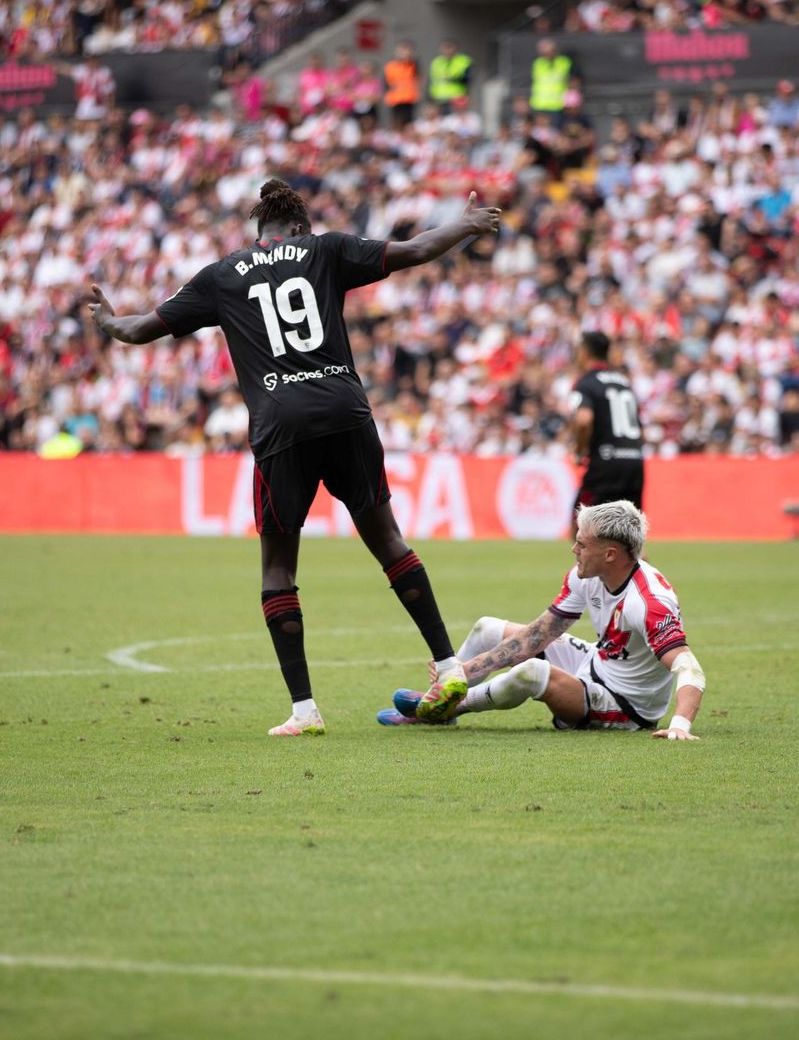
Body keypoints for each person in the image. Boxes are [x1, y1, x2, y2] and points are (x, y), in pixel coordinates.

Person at [85, 180, 502, 737]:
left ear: (259, 234)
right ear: (299, 229)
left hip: (281, 425)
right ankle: (450, 667)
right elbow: (416, 250)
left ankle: (305, 710)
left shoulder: (222, 274)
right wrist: (466, 225)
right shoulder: (325, 249)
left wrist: (108, 320)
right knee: (388, 541)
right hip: (344, 409)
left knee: (279, 567)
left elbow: (137, 331)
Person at [384, 500, 705, 740]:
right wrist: (459, 672)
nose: (573, 549)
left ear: (610, 554)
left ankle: (446, 709)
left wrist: (679, 725)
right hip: (596, 661)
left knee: (533, 673)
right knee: (487, 627)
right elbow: (538, 635)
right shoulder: (586, 575)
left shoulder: (649, 602)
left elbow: (689, 667)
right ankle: (441, 696)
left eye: (582, 543)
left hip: (625, 706)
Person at [569, 331, 644, 532]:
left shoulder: (586, 382)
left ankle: (592, 565)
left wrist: (579, 450)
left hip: (606, 464)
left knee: (580, 528)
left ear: (584, 353)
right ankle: (639, 563)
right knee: (630, 537)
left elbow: (584, 420)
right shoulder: (623, 382)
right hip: (634, 462)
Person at [529, 38, 573, 119]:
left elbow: (569, 80)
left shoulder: (564, 62)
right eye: (544, 52)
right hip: (539, 103)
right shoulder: (538, 63)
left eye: (549, 51)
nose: (547, 54)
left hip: (557, 104)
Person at [383, 41, 420, 128]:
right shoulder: (390, 66)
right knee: (397, 122)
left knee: (409, 124)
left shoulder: (414, 65)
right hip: (395, 99)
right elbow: (386, 84)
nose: (405, 53)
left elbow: (418, 79)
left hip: (409, 99)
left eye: (407, 51)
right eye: (402, 51)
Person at [428, 39, 472, 109]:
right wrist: (430, 99)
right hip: (439, 99)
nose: (447, 51)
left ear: (455, 49)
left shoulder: (463, 61)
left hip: (457, 99)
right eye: (445, 48)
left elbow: (468, 79)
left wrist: (453, 79)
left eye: (449, 48)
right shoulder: (436, 62)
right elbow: (431, 81)